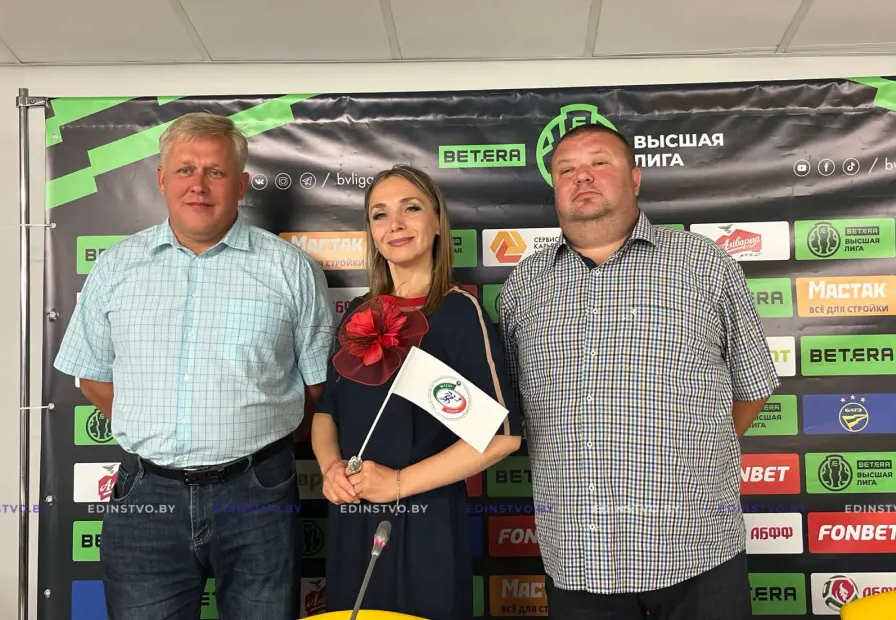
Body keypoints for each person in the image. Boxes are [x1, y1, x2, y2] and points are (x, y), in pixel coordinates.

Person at [53, 112, 335, 620]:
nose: (198, 185)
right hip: (146, 496)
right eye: (185, 170)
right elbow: (91, 375)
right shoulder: (116, 266)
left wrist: (247, 433)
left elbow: (317, 387)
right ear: (162, 179)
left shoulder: (291, 269)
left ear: (241, 185)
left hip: (258, 494)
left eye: (216, 172)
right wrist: (153, 424)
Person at [498, 123, 780, 620]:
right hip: (578, 555)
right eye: (566, 169)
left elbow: (752, 385)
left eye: (599, 162)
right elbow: (512, 411)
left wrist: (694, 454)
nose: (582, 177)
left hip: (698, 548)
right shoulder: (524, 284)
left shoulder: (705, 264)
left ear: (635, 178)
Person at [312, 164, 524, 620]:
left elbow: (501, 437)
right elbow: (327, 410)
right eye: (380, 214)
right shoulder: (357, 314)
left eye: (410, 209)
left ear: (437, 222)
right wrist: (330, 469)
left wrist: (398, 484)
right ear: (371, 233)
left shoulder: (459, 311)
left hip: (426, 521)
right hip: (353, 514)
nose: (395, 224)